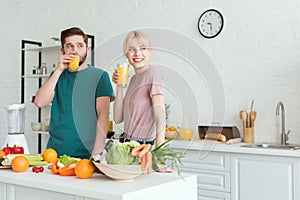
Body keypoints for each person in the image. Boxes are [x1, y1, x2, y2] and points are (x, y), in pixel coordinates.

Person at [34, 27, 114, 159]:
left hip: (86, 154)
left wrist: (97, 152)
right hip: (54, 153)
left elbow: (103, 115)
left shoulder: (100, 76)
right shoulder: (57, 76)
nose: (75, 50)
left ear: (87, 50)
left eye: (80, 45)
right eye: (69, 46)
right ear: (62, 51)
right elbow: (39, 102)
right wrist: (59, 70)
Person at [112, 30, 166, 150]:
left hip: (143, 148)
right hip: (126, 146)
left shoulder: (153, 74)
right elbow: (117, 118)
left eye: (142, 48)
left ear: (149, 52)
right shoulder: (132, 79)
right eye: (131, 49)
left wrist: (159, 154)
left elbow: (160, 116)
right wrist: (119, 87)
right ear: (126, 54)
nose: (137, 53)